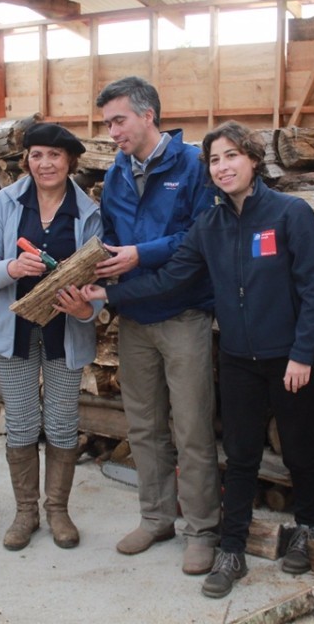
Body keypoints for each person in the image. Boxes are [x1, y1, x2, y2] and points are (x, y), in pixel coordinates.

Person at [83, 121, 314, 598]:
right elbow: (170, 280)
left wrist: (302, 354)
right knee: (239, 456)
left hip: (290, 359)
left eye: (232, 156)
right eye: (215, 160)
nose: (223, 167)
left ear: (254, 160)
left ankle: (307, 527)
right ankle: (231, 549)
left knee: (299, 449)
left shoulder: (289, 214)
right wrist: (109, 293)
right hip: (239, 357)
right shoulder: (209, 225)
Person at [93, 76, 220, 576]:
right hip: (134, 318)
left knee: (191, 428)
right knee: (145, 427)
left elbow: (198, 237)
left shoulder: (193, 166)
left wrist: (140, 254)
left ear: (148, 115)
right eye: (107, 124)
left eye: (118, 121)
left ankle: (202, 529)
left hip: (184, 314)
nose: (112, 132)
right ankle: (156, 517)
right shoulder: (116, 173)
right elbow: (108, 236)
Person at [0, 122, 103, 551]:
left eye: (54, 156)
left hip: (67, 331)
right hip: (17, 331)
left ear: (70, 162)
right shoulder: (5, 204)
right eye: (36, 155)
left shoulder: (88, 211)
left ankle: (57, 512)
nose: (45, 163)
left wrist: (88, 309)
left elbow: (100, 280)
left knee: (63, 425)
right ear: (26, 159)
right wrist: (11, 268)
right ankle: (25, 512)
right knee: (23, 422)